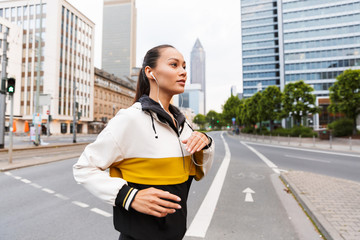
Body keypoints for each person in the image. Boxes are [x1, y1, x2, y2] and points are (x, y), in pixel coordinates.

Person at [73, 44, 215, 240]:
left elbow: (200, 171)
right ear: (150, 72)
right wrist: (129, 196)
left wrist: (206, 142)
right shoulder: (130, 119)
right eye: (174, 65)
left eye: (184, 66)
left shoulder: (184, 124)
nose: (183, 72)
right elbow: (83, 168)